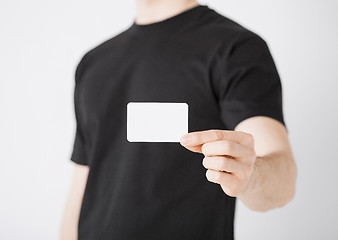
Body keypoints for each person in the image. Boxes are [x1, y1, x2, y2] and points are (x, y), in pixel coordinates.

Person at [59, 0, 297, 239]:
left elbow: (282, 181)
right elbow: (82, 186)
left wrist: (250, 175)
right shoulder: (93, 62)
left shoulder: (237, 49)